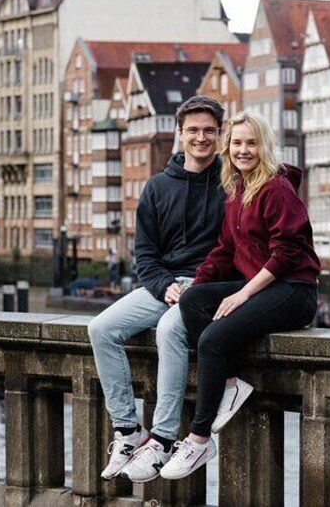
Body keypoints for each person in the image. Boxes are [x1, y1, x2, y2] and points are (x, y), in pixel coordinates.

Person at [160, 111, 321, 480]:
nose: (243, 150)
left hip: (294, 289)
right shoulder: (236, 189)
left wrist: (242, 295)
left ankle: (199, 440)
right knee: (193, 302)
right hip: (264, 285)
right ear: (227, 147)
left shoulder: (276, 188)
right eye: (236, 143)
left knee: (212, 340)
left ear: (264, 146)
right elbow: (225, 250)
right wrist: (195, 287)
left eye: (252, 143)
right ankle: (230, 383)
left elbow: (287, 253)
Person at [87, 95, 226, 482]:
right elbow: (144, 256)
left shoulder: (231, 184)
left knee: (168, 331)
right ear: (179, 133)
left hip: (208, 287)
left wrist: (199, 287)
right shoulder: (156, 188)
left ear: (219, 134)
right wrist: (165, 285)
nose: (201, 138)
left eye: (209, 131)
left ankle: (162, 439)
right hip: (164, 285)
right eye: (193, 130)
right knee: (100, 329)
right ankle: (128, 430)